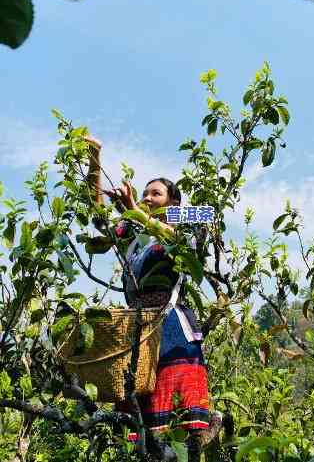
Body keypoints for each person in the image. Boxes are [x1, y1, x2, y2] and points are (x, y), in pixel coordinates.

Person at [85, 136, 210, 459]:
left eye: (155, 193)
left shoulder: (188, 219)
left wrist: (136, 213)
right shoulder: (134, 233)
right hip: (135, 329)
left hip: (170, 328)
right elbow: (97, 217)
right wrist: (94, 158)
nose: (147, 198)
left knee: (183, 422)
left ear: (172, 202)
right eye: (144, 193)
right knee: (140, 428)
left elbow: (204, 216)